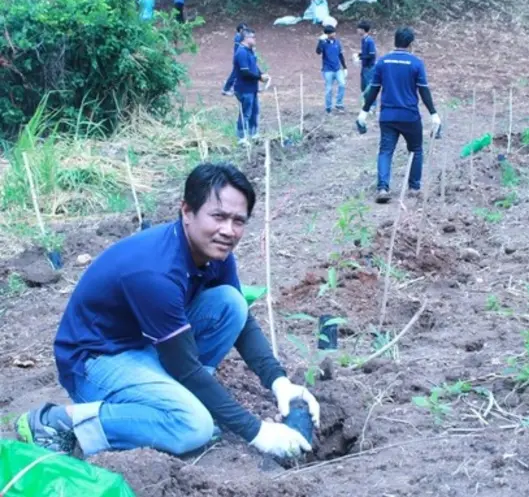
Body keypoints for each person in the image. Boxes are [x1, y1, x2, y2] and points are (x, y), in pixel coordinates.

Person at [16, 163, 318, 460]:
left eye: (238, 221)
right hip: (95, 360)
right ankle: (58, 420)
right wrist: (257, 432)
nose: (228, 230)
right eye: (218, 216)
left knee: (231, 303)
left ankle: (187, 398)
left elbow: (243, 324)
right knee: (192, 426)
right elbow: (185, 367)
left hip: (144, 344)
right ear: (187, 212)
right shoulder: (156, 272)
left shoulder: (215, 252)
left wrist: (280, 382)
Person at [357, 27, 441, 204]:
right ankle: (414, 187)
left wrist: (363, 112)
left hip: (387, 116)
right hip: (410, 115)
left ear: (394, 41)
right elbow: (424, 91)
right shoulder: (416, 63)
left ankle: (382, 188)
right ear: (411, 44)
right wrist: (434, 114)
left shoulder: (382, 62)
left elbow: (373, 89)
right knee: (416, 149)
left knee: (386, 151)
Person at [233, 28, 269, 142]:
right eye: (253, 37)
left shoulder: (250, 51)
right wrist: (259, 77)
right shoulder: (241, 52)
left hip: (252, 88)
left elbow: (253, 67)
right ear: (246, 38)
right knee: (246, 113)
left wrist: (261, 74)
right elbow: (245, 72)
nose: (255, 39)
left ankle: (253, 134)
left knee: (254, 111)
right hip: (244, 89)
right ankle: (241, 138)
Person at [316, 25, 347, 114]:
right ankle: (328, 107)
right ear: (327, 34)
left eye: (334, 32)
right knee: (329, 89)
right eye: (332, 33)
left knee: (342, 84)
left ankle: (339, 103)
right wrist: (320, 41)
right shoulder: (324, 43)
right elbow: (318, 52)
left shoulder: (337, 42)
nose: (334, 34)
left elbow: (340, 55)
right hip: (327, 69)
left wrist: (344, 67)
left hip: (337, 69)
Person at [356, 20, 377, 110]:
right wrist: (359, 55)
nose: (357, 30)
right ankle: (366, 105)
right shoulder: (363, 40)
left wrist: (361, 58)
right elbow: (365, 53)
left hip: (369, 67)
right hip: (364, 66)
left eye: (359, 29)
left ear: (363, 30)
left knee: (369, 87)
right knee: (363, 86)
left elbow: (372, 55)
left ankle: (372, 106)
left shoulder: (369, 41)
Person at [222, 23, 248, 96]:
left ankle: (235, 87)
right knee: (234, 75)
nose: (245, 31)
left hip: (239, 59)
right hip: (238, 59)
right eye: (244, 29)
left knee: (239, 74)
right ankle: (226, 89)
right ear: (240, 30)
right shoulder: (239, 37)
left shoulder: (239, 37)